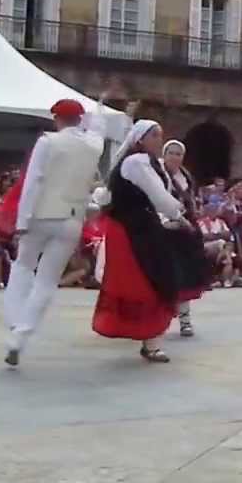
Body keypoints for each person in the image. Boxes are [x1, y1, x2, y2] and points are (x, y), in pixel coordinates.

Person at [3, 97, 127, 367]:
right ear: (80, 120)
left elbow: (33, 181)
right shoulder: (94, 144)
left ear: (56, 119)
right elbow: (99, 128)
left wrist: (22, 220)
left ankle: (14, 321)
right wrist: (100, 108)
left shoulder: (48, 142)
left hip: (42, 214)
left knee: (23, 265)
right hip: (72, 219)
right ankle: (21, 336)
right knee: (47, 281)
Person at [92, 120, 215, 363]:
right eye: (154, 135)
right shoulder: (137, 161)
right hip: (134, 231)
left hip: (138, 228)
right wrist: (179, 217)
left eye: (160, 135)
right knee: (151, 282)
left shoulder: (144, 162)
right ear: (140, 139)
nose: (159, 140)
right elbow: (159, 196)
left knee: (149, 281)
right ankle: (150, 341)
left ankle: (151, 340)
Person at [162, 139, 199, 337]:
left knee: (184, 278)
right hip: (162, 231)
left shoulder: (186, 176)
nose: (175, 157)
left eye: (179, 154)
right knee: (164, 278)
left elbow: (191, 200)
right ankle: (158, 320)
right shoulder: (158, 174)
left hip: (184, 232)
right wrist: (165, 221)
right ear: (164, 154)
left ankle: (185, 320)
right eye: (171, 153)